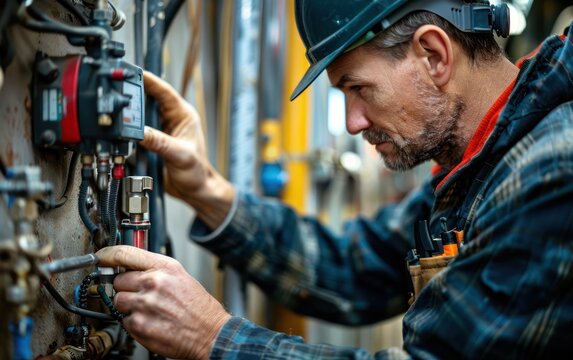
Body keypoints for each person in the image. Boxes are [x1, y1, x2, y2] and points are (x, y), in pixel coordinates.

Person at [96, 0, 573, 358]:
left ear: (433, 55)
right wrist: (208, 192)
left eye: (358, 88)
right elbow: (355, 270)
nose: (352, 122)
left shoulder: (550, 169)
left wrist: (213, 338)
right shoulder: (475, 165)